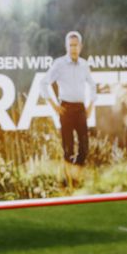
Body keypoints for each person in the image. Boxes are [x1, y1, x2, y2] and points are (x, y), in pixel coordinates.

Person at [40, 30, 97, 188]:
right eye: (70, 45)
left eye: (76, 45)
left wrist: (91, 106)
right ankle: (68, 184)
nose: (73, 48)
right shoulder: (59, 64)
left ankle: (75, 176)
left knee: (84, 148)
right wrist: (54, 105)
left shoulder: (84, 65)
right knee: (68, 149)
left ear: (81, 47)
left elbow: (93, 86)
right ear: (66, 46)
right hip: (65, 109)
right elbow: (43, 83)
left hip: (80, 109)